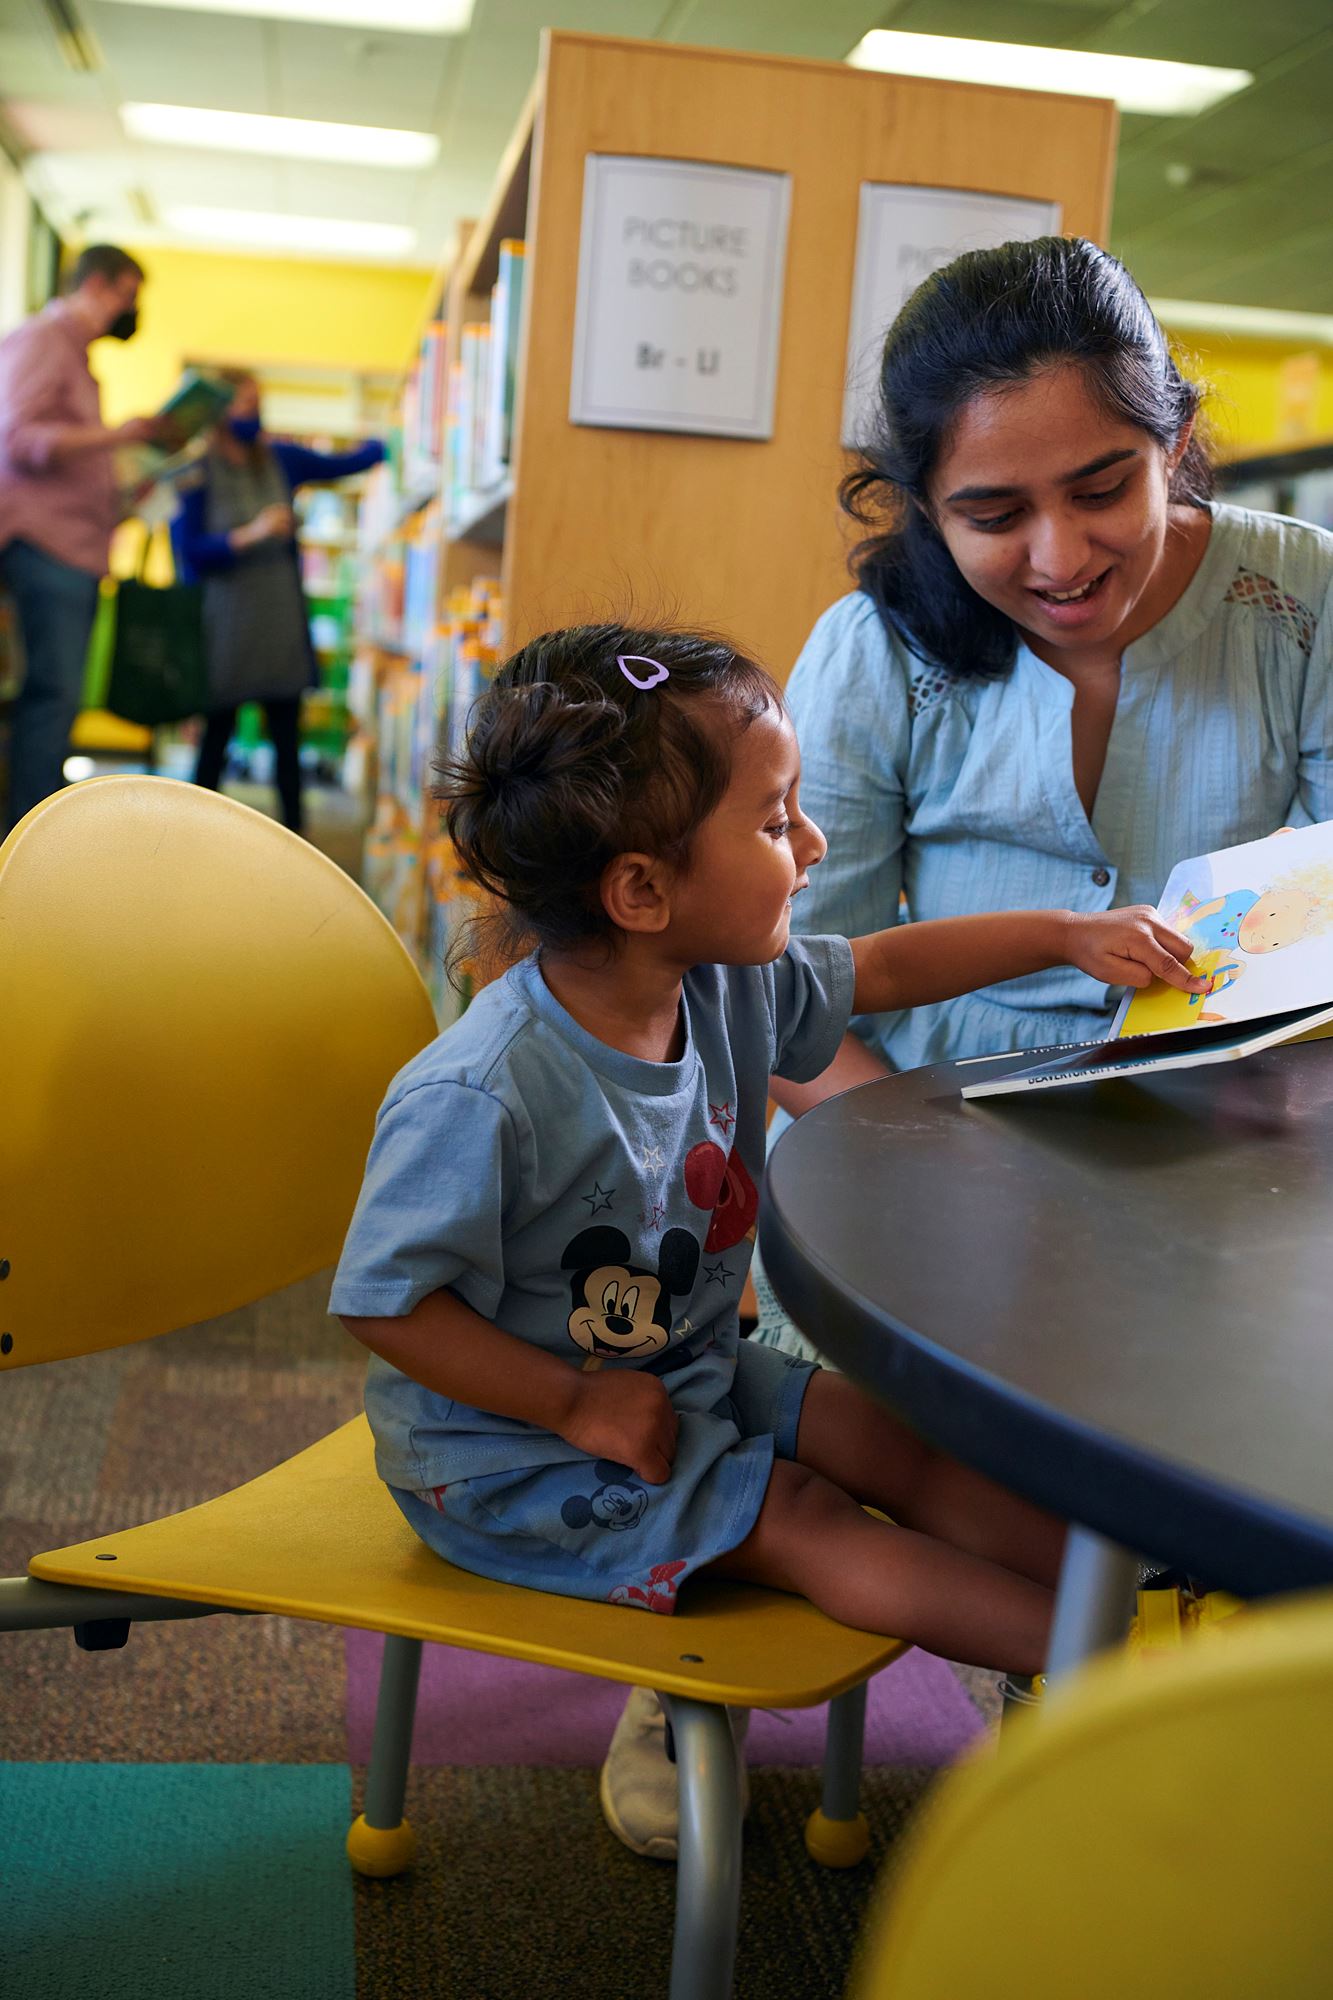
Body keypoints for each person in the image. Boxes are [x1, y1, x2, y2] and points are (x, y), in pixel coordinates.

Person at [601, 233, 1333, 1858]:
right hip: (901, 1111)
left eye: (1106, 484)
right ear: (917, 506)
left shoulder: (1297, 594)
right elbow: (777, 984)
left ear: (1173, 442)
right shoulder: (869, 653)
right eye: (993, 513)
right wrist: (921, 1163)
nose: (1065, 554)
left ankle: (1097, 1634)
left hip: (1224, 1122)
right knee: (790, 1355)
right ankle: (686, 1652)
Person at [330, 624, 1203, 1740]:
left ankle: (1155, 1594)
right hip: (510, 1451)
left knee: (895, 1439)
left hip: (677, 1364)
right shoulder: (483, 1090)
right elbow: (382, 1300)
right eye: (774, 818)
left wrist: (1065, 934)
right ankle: (1120, 1666)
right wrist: (573, 1400)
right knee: (808, 1512)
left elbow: (882, 962)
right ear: (642, 889)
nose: (814, 841)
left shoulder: (723, 981)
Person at [172, 371, 384, 835]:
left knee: (289, 749)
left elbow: (342, 463)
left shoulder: (281, 460)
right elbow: (188, 552)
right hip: (224, 627)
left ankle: (297, 844)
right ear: (217, 411)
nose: (253, 412)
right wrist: (251, 534)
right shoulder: (195, 470)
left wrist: (389, 442)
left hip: (280, 623)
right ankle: (190, 839)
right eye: (243, 403)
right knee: (214, 745)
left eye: (256, 402)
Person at [0, 243, 160, 830]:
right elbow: (17, 438)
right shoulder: (44, 340)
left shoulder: (76, 357)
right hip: (44, 546)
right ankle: (28, 844)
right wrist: (118, 435)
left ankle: (29, 836)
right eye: (127, 295)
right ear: (97, 285)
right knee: (51, 696)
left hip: (72, 546)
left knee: (54, 698)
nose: (130, 311)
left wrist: (126, 495)